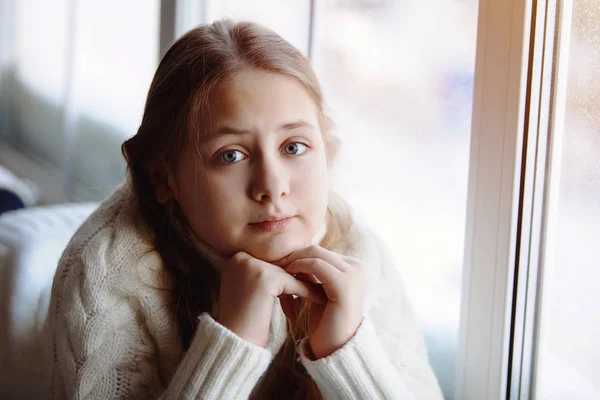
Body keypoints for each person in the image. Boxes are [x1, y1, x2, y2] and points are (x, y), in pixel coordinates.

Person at [45, 19, 443, 399]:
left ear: (327, 150)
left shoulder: (356, 253)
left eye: (294, 146)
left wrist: (348, 351)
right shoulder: (105, 275)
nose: (272, 187)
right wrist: (231, 342)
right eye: (231, 155)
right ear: (163, 180)